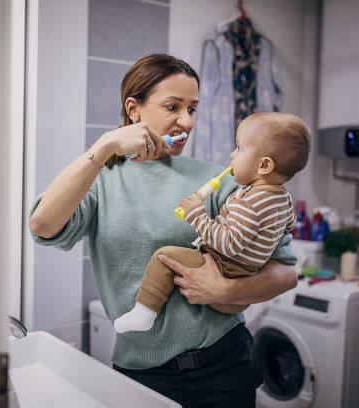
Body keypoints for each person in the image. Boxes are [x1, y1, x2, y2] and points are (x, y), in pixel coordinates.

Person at [29, 54, 298, 408]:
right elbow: (43, 226)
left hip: (226, 364)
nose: (186, 121)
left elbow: (286, 272)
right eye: (173, 106)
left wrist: (226, 288)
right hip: (143, 374)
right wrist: (107, 145)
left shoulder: (220, 178)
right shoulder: (101, 182)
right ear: (133, 109)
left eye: (193, 109)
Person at [113, 111, 310, 334]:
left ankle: (145, 313)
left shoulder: (250, 203)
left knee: (165, 258)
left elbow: (228, 245)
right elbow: (289, 224)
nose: (232, 154)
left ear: (264, 166)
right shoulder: (282, 198)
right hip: (245, 281)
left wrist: (197, 215)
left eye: (239, 148)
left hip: (226, 269)